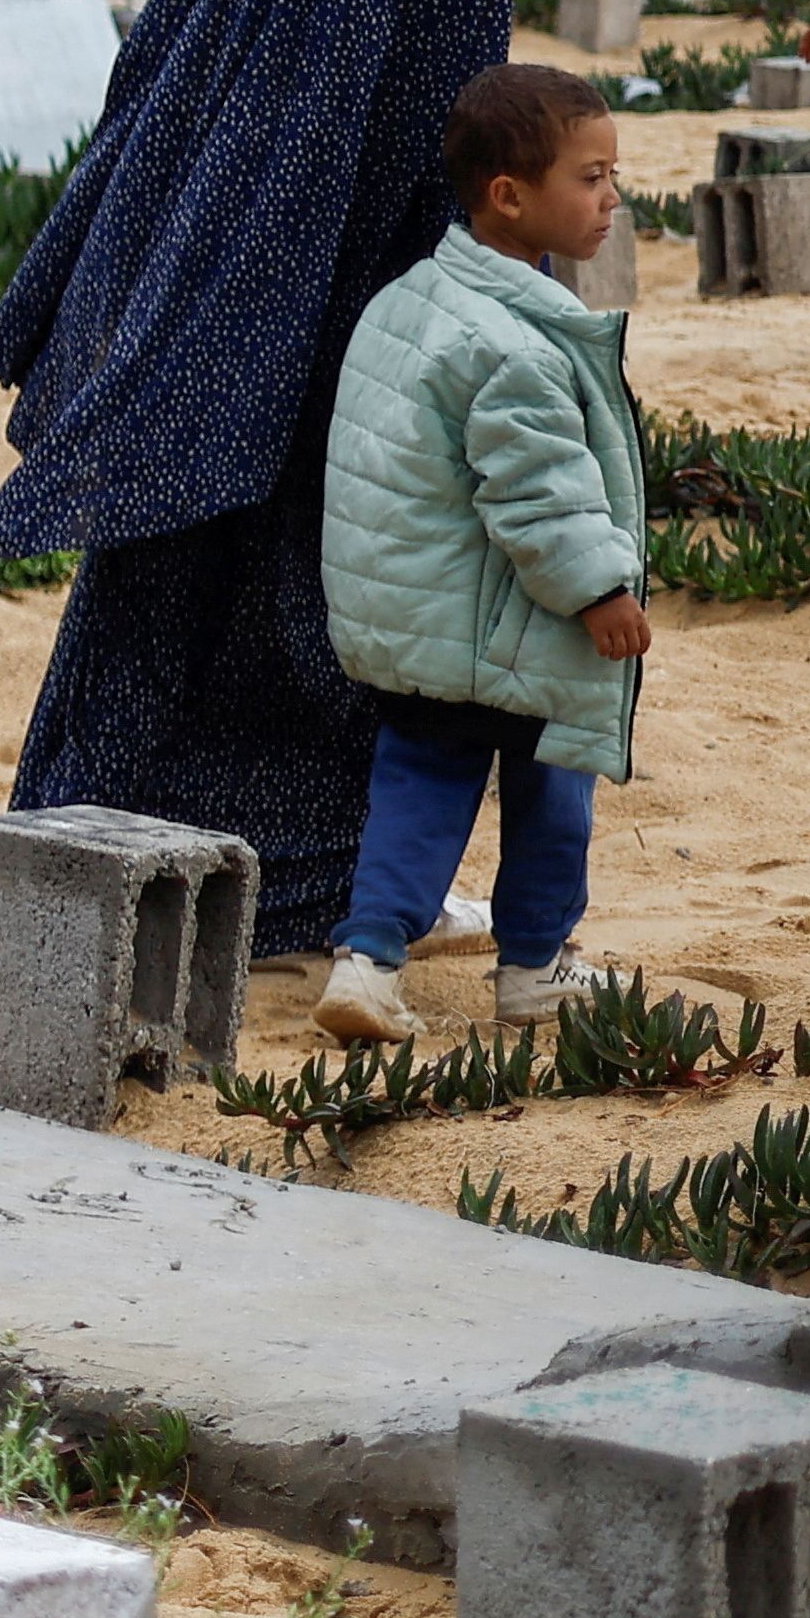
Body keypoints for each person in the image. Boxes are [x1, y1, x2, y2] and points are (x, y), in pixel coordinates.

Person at [0, 0, 519, 957]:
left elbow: (167, 55)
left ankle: (96, 828)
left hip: (221, 275)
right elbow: (457, 117)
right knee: (333, 600)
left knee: (178, 575)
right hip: (368, 291)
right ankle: (312, 888)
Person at [310, 65, 647, 1043]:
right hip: (516, 627)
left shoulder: (409, 300)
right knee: (554, 793)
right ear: (510, 194)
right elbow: (540, 500)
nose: (610, 197)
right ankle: (534, 967)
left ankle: (367, 960)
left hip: (415, 623)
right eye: (589, 177)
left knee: (415, 788)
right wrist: (600, 592)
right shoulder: (518, 346)